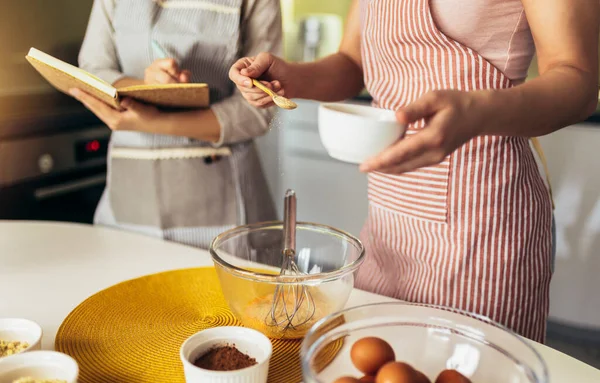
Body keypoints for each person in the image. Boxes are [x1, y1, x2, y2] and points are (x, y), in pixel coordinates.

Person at [229, 0, 599, 341]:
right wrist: (289, 77)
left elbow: (579, 81)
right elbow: (353, 63)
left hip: (484, 224)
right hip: (389, 226)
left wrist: (477, 111)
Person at [70, 0, 281, 249]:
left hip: (225, 210)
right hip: (131, 199)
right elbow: (94, 69)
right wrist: (143, 89)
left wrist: (156, 121)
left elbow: (256, 111)